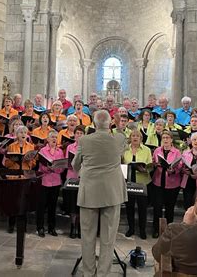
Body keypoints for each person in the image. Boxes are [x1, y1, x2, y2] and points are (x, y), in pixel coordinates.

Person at [72, 110, 127, 277]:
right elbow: (122, 139)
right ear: (109, 123)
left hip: (89, 192)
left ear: (94, 124)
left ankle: (88, 273)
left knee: (87, 236)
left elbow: (75, 164)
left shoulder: (84, 140)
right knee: (108, 237)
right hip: (111, 193)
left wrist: (84, 171)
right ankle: (103, 273)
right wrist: (118, 126)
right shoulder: (118, 139)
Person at [4, 125, 37, 233]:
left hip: (26, 175)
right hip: (13, 175)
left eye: (25, 132)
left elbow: (34, 163)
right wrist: (14, 160)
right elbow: (7, 164)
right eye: (21, 132)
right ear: (16, 135)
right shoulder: (12, 146)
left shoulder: (31, 147)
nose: (23, 134)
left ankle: (22, 225)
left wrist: (29, 161)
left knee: (24, 201)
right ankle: (11, 225)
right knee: (13, 200)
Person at [151, 129, 182, 238]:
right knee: (157, 208)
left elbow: (180, 166)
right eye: (163, 138)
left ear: (171, 140)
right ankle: (156, 229)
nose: (165, 140)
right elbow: (154, 162)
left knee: (170, 209)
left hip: (172, 183)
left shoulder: (177, 152)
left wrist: (173, 170)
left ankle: (169, 231)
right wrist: (155, 164)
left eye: (167, 138)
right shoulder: (157, 151)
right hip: (158, 181)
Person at [123, 129, 152, 239]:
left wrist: (145, 170)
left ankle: (142, 230)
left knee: (142, 207)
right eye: (133, 136)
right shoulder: (125, 150)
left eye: (137, 136)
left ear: (141, 138)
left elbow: (150, 165)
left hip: (142, 182)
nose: (135, 138)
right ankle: (131, 229)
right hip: (129, 181)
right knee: (129, 207)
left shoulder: (147, 150)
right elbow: (121, 163)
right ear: (130, 138)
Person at [36, 130, 64, 237]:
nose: (54, 139)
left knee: (53, 206)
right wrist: (48, 168)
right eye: (52, 137)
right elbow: (40, 167)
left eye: (55, 137)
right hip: (45, 181)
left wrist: (55, 168)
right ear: (47, 139)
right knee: (42, 206)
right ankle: (40, 228)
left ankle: (52, 228)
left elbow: (62, 167)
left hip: (56, 181)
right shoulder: (43, 150)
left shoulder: (60, 151)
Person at [64, 125, 86, 239]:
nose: (79, 135)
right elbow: (66, 162)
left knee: (81, 203)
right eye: (77, 133)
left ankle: (81, 228)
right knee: (73, 203)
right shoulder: (70, 147)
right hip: (71, 175)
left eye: (81, 133)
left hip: (83, 177)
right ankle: (73, 227)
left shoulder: (87, 147)